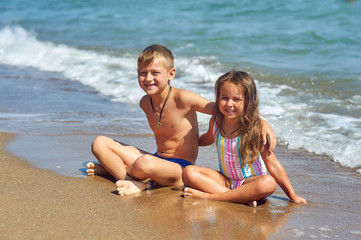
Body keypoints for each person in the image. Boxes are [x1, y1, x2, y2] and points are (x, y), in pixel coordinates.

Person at [87, 45, 277, 196]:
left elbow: (224, 108)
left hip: (180, 168)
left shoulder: (183, 98)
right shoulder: (145, 103)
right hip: (156, 159)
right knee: (99, 143)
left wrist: (261, 122)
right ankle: (134, 178)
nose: (148, 78)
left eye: (155, 73)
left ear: (171, 74)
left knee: (144, 163)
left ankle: (132, 178)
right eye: (142, 73)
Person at [182, 70, 306, 206]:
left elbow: (273, 164)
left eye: (236, 99)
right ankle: (240, 198)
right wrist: (188, 142)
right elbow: (207, 138)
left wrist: (292, 195)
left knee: (269, 183)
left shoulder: (254, 129)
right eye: (224, 98)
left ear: (247, 101)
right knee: (188, 172)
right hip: (226, 180)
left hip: (250, 182)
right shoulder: (216, 121)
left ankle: (210, 197)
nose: (229, 104)